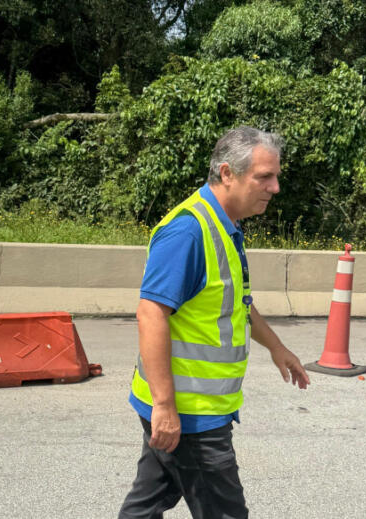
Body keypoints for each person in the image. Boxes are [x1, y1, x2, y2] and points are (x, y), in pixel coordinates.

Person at [118, 126, 311, 519]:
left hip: (193, 408)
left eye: (276, 176)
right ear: (227, 173)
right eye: (264, 177)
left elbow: (236, 303)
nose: (275, 187)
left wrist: (276, 347)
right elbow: (151, 313)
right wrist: (165, 407)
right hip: (190, 414)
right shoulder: (188, 231)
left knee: (148, 501)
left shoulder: (226, 224)